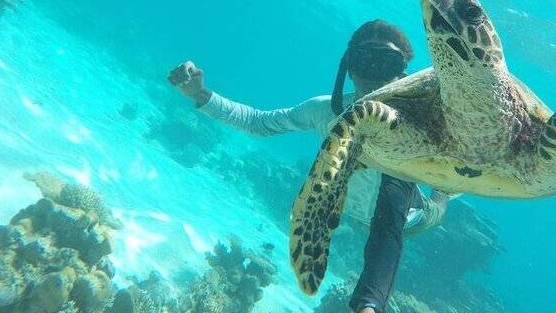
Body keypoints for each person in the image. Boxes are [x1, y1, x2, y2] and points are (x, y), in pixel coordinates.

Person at [168, 19, 453, 313]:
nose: (374, 73)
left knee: (409, 197)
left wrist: (369, 305)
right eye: (365, 59)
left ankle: (443, 195)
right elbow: (258, 122)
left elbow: (388, 233)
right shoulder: (325, 110)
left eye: (386, 62)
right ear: (349, 68)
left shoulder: (415, 123)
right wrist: (199, 94)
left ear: (401, 74)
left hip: (412, 217)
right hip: (347, 208)